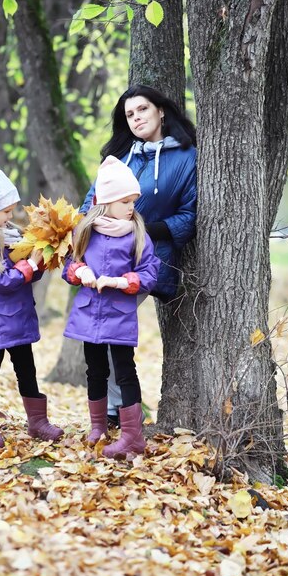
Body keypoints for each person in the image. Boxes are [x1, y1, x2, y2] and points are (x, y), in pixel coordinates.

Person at [81, 84, 197, 427]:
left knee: (111, 330)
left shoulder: (187, 158)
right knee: (102, 332)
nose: (136, 118)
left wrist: (139, 230)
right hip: (100, 258)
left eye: (142, 110)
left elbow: (189, 219)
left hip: (146, 259)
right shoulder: (119, 158)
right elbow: (91, 201)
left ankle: (122, 414)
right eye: (130, 114)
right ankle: (116, 413)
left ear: (161, 111)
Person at [62, 156, 160, 459]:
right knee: (95, 370)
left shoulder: (137, 234)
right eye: (124, 201)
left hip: (119, 316)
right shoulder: (84, 231)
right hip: (89, 313)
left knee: (125, 371)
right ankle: (98, 426)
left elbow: (149, 272)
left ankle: (133, 435)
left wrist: (123, 282)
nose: (130, 207)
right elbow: (69, 264)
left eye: (132, 201)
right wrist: (81, 273)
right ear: (105, 202)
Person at [0, 164, 64, 451]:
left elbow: (26, 272)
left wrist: (40, 261)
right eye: (5, 211)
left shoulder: (12, 235)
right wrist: (28, 267)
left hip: (17, 316)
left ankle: (37, 421)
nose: (10, 217)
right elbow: (2, 281)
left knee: (27, 369)